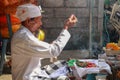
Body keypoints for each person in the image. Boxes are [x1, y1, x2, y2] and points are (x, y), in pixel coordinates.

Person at [11, 3, 78, 80]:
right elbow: (54, 51)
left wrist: (50, 46)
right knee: (64, 78)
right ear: (29, 21)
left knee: (67, 64)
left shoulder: (24, 33)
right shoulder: (24, 38)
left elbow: (37, 51)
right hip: (29, 77)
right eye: (39, 20)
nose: (41, 23)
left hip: (36, 72)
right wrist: (66, 27)